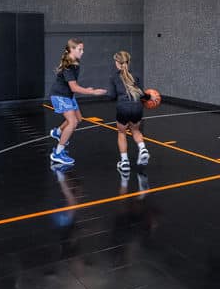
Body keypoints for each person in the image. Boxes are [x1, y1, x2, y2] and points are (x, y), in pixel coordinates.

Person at [49, 38, 106, 164]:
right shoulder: (68, 66)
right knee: (73, 122)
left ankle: (57, 132)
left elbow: (73, 87)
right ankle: (57, 153)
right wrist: (92, 92)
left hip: (68, 95)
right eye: (80, 49)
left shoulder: (75, 62)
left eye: (82, 49)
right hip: (60, 96)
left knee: (78, 119)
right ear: (71, 49)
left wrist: (86, 89)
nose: (83, 52)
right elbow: (74, 87)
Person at [107, 50, 150, 184]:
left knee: (122, 133)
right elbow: (143, 95)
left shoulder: (113, 78)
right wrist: (151, 97)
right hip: (137, 108)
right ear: (128, 62)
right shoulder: (136, 76)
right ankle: (142, 148)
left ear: (117, 63)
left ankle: (124, 162)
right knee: (136, 130)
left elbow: (111, 96)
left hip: (123, 109)